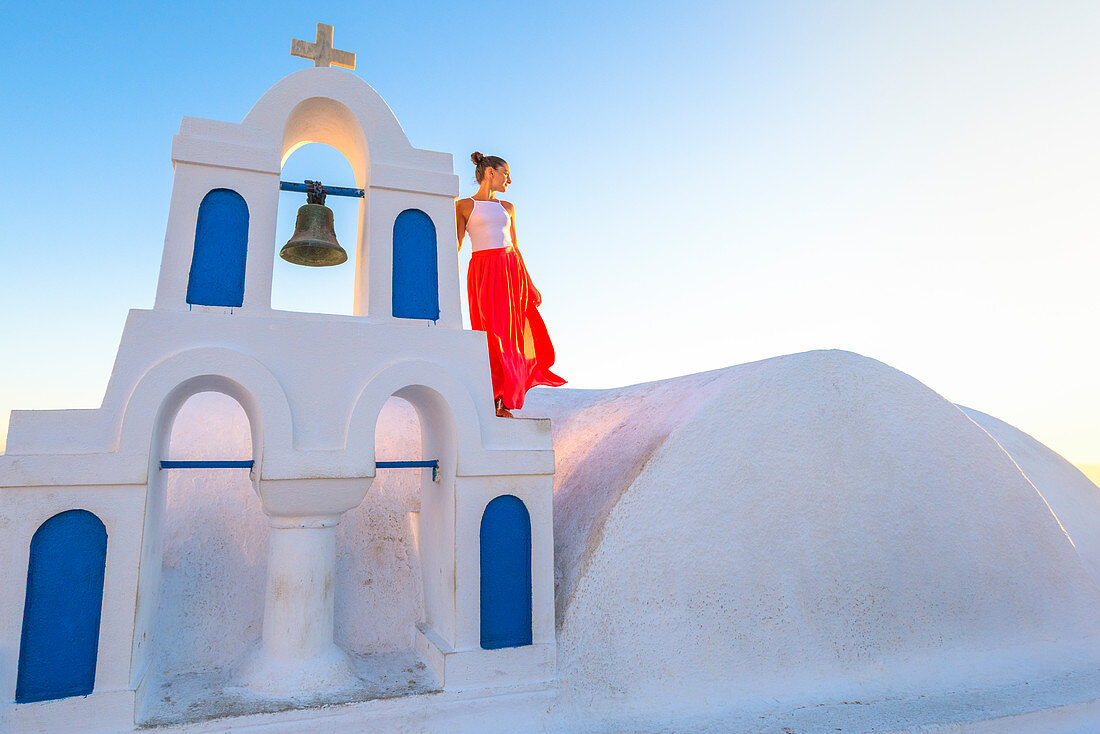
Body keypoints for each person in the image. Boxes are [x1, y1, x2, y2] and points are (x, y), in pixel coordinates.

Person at [456, 152, 565, 417]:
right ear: (490, 172)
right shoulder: (463, 206)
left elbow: (515, 247)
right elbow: (455, 246)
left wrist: (530, 283)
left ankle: (505, 400)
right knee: (489, 333)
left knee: (511, 335)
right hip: (483, 271)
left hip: (510, 271)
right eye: (506, 173)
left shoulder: (508, 208)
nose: (510, 180)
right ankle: (493, 396)